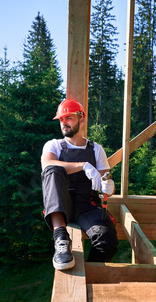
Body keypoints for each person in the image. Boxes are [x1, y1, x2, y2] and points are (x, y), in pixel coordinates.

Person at [41, 99, 118, 270]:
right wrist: (83, 166)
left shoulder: (96, 150)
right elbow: (46, 164)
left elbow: (106, 180)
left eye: (68, 118)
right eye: (61, 119)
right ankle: (61, 240)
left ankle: (92, 276)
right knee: (52, 169)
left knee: (107, 241)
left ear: (81, 118)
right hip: (61, 204)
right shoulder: (53, 145)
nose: (63, 123)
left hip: (88, 205)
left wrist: (109, 187)